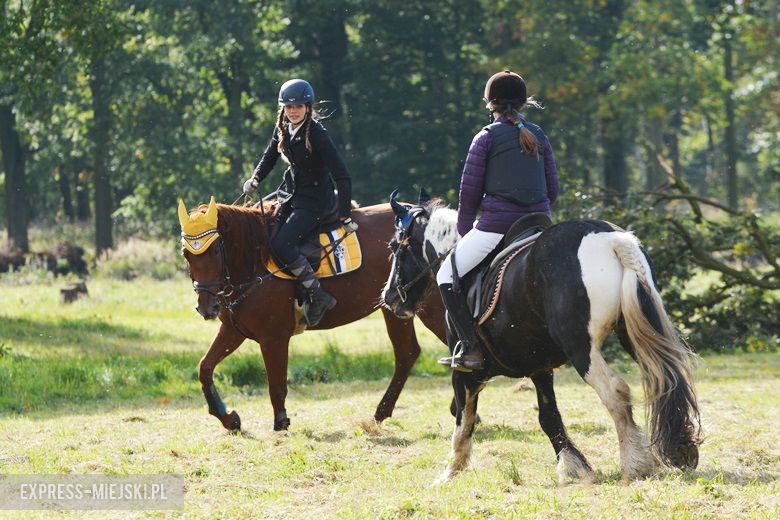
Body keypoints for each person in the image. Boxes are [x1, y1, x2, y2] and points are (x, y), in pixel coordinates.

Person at [437, 70, 559, 371]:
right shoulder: (539, 135)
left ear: (490, 103)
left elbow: (468, 196)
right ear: (522, 103)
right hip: (540, 224)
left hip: (496, 227)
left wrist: (466, 233)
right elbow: (553, 189)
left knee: (445, 276)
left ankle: (470, 347)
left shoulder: (486, 138)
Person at [243, 78, 356, 327]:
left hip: (315, 201)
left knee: (281, 244)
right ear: (283, 109)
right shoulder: (283, 126)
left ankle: (319, 295)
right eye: (288, 107)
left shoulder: (317, 134)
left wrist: (345, 214)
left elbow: (343, 176)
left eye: (299, 106)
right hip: (290, 193)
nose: (293, 111)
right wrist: (256, 178)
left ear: (308, 107)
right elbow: (270, 155)